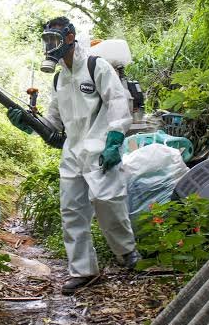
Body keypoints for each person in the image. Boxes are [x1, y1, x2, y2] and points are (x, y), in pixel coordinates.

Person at [7, 17, 140, 295]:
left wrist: (115, 138)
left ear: (70, 38)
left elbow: (118, 101)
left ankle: (126, 254)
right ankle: (84, 271)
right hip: (72, 151)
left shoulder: (96, 66)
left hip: (101, 147)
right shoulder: (59, 78)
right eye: (46, 41)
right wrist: (28, 124)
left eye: (54, 40)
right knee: (71, 212)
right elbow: (54, 123)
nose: (49, 46)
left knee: (107, 200)